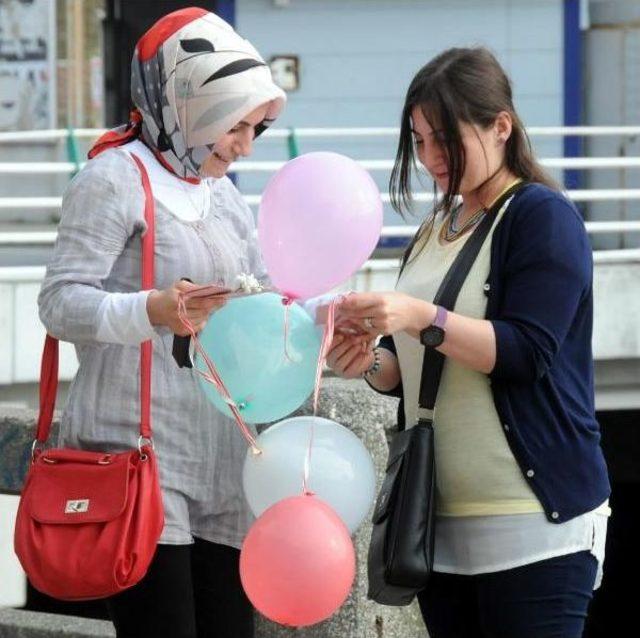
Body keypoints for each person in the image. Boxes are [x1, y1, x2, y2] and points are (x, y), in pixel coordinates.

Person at [327, 47, 611, 638]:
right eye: (420, 140)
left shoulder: (541, 217)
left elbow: (527, 352)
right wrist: (364, 359)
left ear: (501, 126)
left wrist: (415, 313)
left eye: (445, 140)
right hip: (440, 532)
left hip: (535, 526)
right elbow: (408, 372)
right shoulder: (435, 229)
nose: (430, 158)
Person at [38, 8, 285, 638]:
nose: (245, 146)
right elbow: (59, 303)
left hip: (224, 461)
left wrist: (308, 315)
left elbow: (257, 302)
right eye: (236, 126)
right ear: (188, 106)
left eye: (256, 128)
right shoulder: (112, 178)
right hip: (138, 460)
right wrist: (151, 309)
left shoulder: (223, 194)